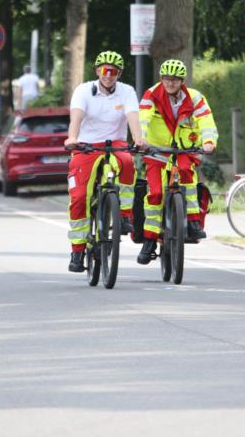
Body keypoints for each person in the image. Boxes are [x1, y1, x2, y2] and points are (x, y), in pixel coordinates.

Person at [64, 51, 145, 272]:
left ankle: (125, 215)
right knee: (80, 197)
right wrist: (73, 138)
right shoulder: (83, 91)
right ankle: (78, 251)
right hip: (86, 146)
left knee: (128, 163)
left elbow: (133, 118)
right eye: (103, 70)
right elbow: (76, 117)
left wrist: (138, 139)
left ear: (119, 74)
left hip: (115, 143)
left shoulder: (126, 91)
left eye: (113, 72)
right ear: (97, 71)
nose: (108, 75)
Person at [136, 59, 217, 265]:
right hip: (156, 150)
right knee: (154, 192)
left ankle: (193, 222)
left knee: (186, 172)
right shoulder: (151, 95)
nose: (170, 83)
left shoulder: (195, 98)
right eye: (166, 79)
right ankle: (150, 240)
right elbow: (142, 118)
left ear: (183, 81)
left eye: (175, 79)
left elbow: (206, 121)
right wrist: (141, 139)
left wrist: (208, 142)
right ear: (161, 79)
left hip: (183, 148)